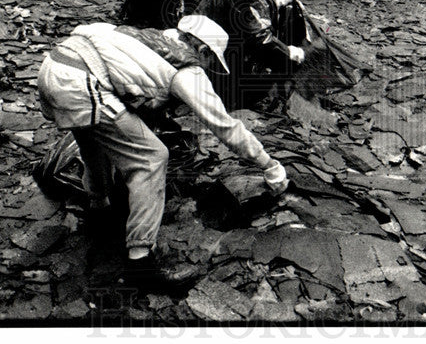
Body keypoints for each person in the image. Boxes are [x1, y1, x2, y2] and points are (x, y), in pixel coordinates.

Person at [37, 15, 288, 289]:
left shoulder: (148, 37)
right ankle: (140, 262)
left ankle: (99, 210)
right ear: (203, 50)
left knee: (94, 142)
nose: (209, 65)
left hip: (54, 66)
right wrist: (269, 165)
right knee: (152, 158)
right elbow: (225, 126)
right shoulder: (186, 71)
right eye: (211, 59)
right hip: (80, 83)